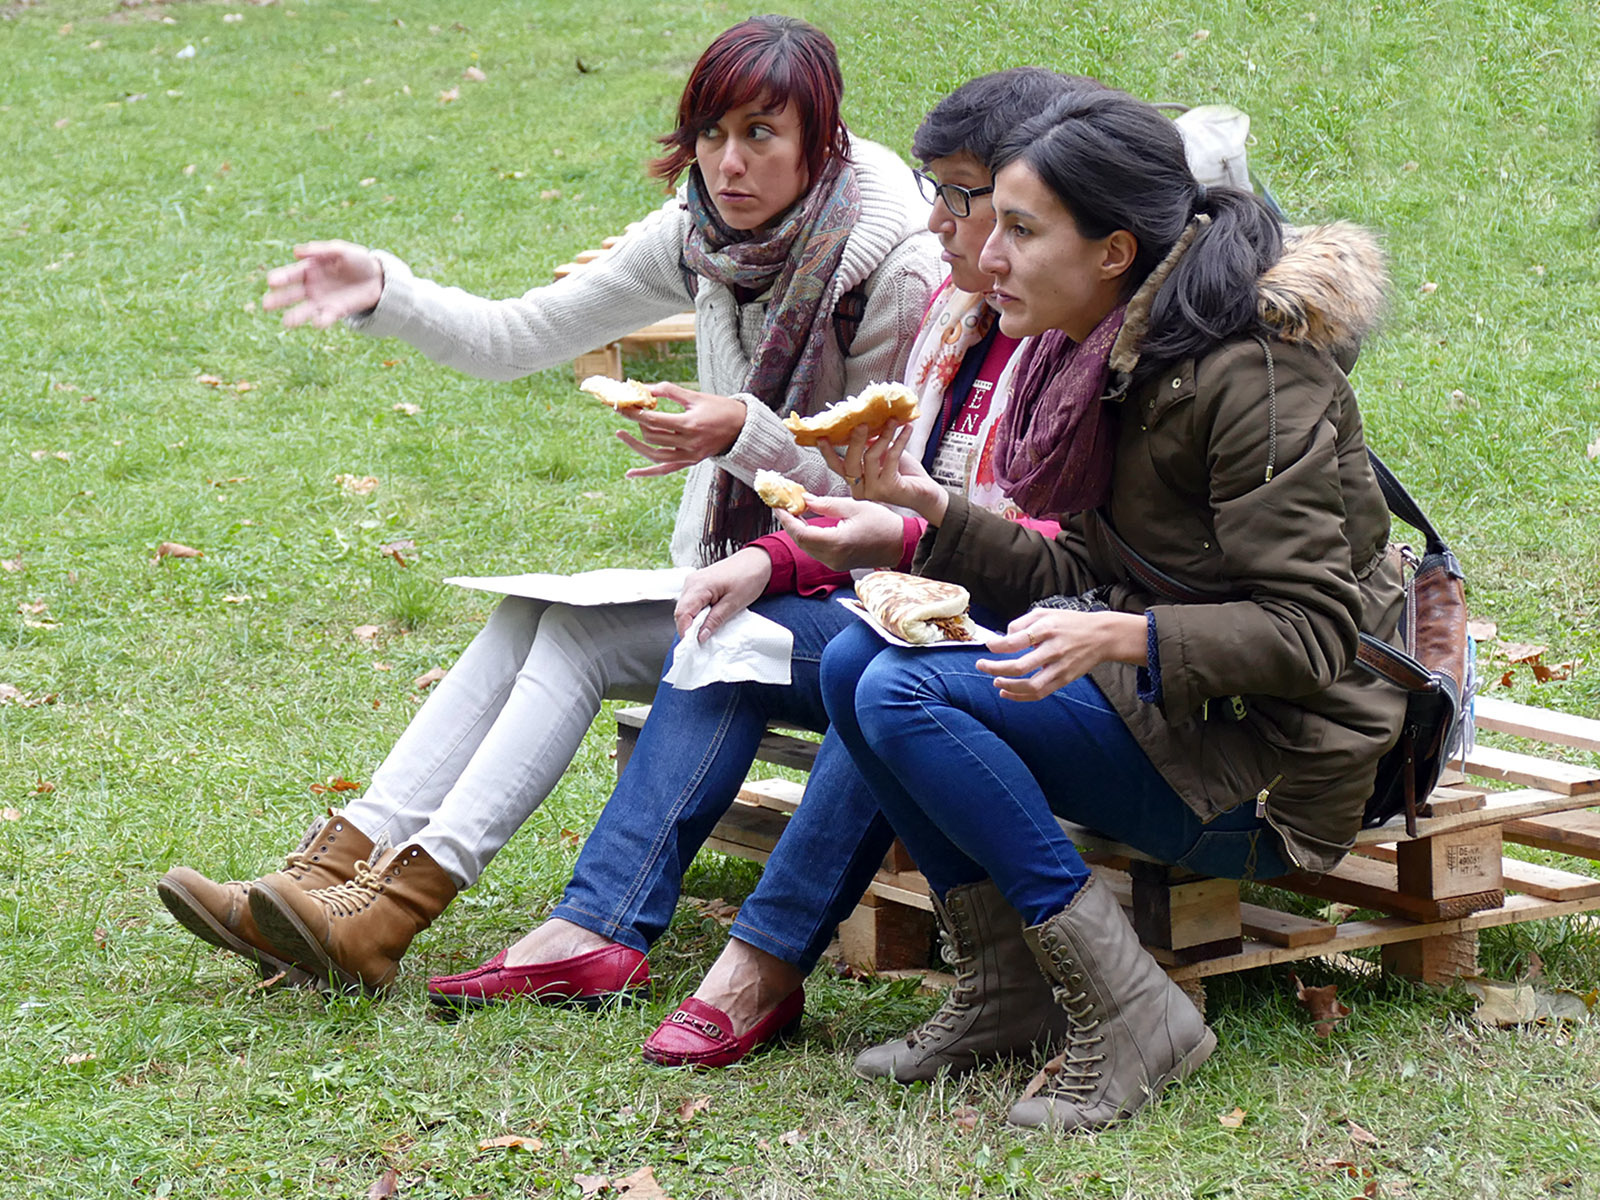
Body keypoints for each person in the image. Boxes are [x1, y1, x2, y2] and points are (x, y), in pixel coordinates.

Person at [156, 15, 941, 995]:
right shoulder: (704, 234)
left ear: (818, 139)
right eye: (709, 134)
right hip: (728, 584)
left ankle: (385, 911)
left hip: (860, 610)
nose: (728, 163)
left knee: (571, 637)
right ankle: (324, 876)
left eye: (759, 135)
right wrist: (383, 292)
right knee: (530, 609)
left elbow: (887, 507)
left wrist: (743, 429)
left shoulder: (897, 269)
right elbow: (515, 338)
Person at [424, 72, 1091, 1071]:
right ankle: (598, 923)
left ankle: (762, 962)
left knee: (876, 662)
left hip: (1044, 641)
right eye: (936, 190)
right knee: (734, 626)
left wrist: (792, 476)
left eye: (961, 196)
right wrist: (772, 556)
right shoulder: (961, 323)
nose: (940, 220)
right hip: (933, 600)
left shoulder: (1067, 341)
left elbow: (1034, 547)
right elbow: (894, 508)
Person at [808, 87, 1405, 1131]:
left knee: (905, 696)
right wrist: (923, 510)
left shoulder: (1252, 378)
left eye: (1021, 230)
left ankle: (1133, 1013)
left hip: (1277, 763)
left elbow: (1314, 634)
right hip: (1184, 712)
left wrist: (1121, 635)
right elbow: (1086, 562)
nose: (987, 254)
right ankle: (1008, 990)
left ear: (1115, 250)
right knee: (854, 669)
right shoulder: (1109, 354)